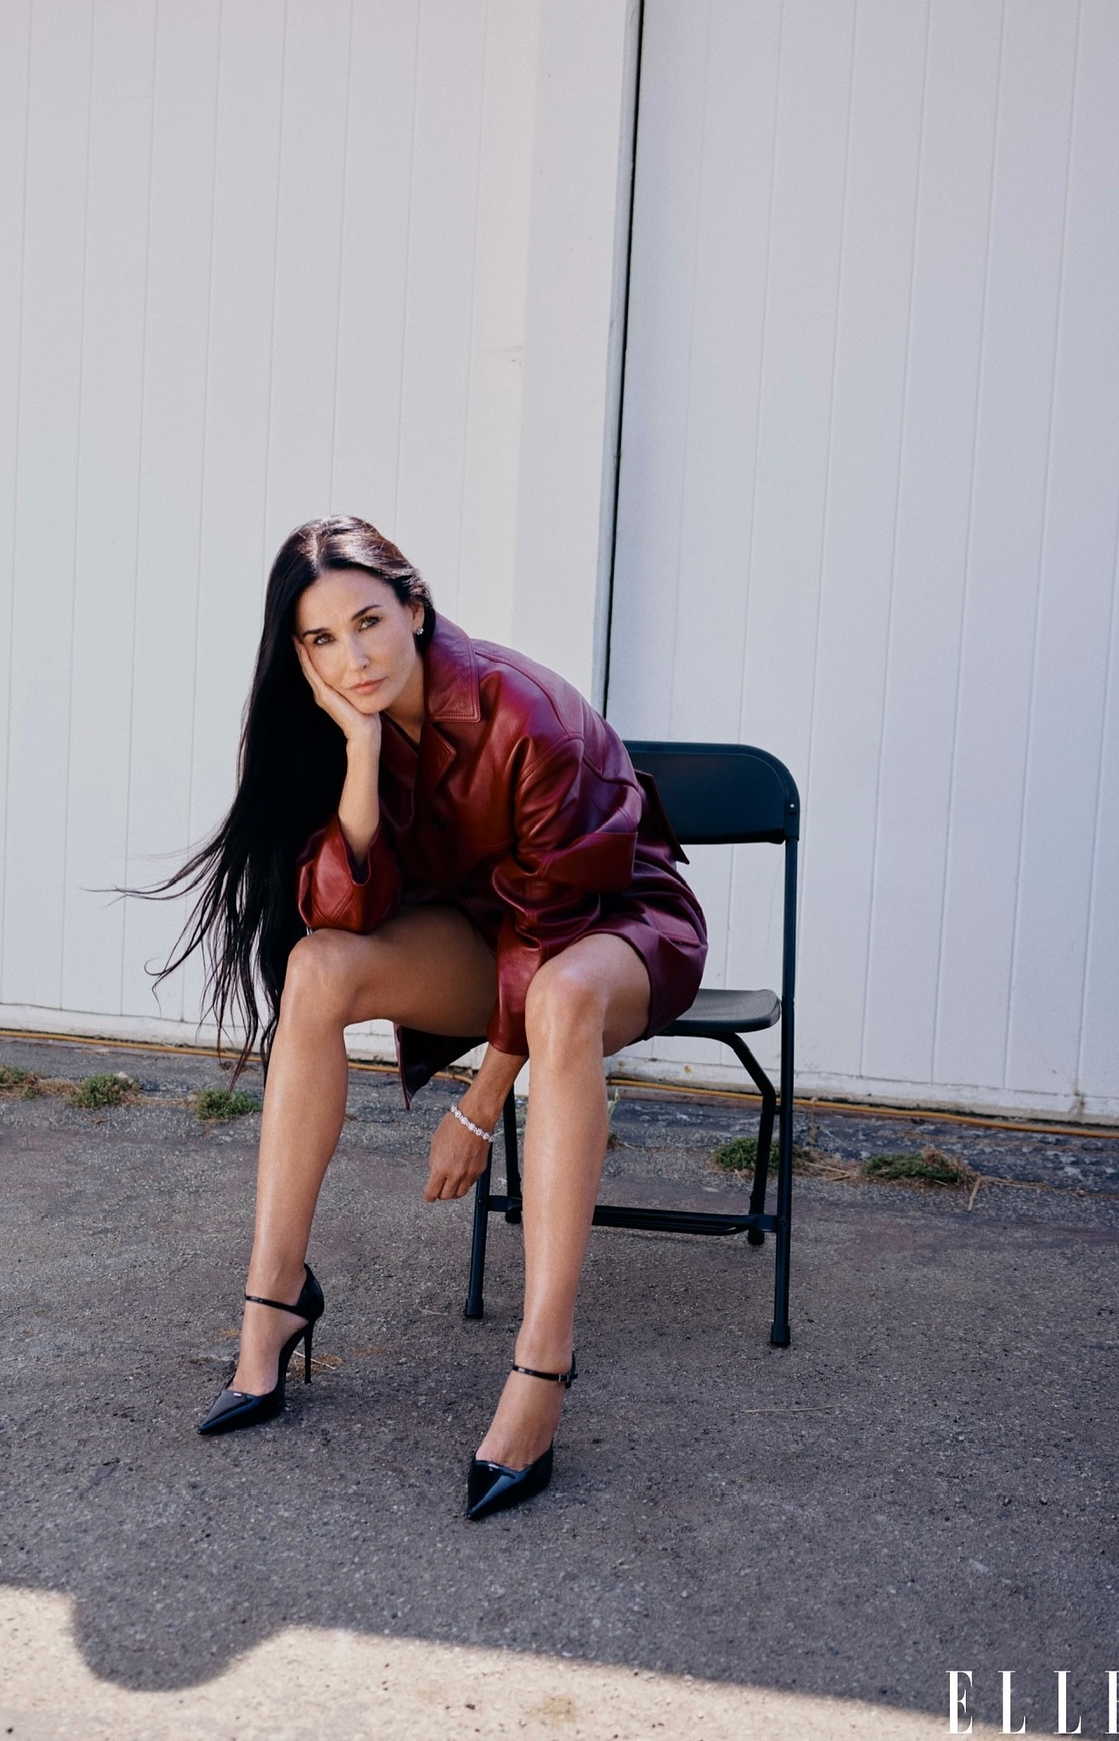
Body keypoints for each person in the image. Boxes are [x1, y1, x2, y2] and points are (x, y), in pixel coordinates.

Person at [152, 517, 706, 1520]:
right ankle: (274, 1300)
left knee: (560, 996)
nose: (354, 657)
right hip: (492, 934)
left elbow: (549, 931)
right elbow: (341, 910)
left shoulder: (523, 712)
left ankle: (543, 1360)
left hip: (615, 926)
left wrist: (480, 1105)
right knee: (317, 969)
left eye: (368, 621)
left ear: (414, 606)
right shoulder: (341, 722)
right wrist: (362, 752)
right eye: (323, 639)